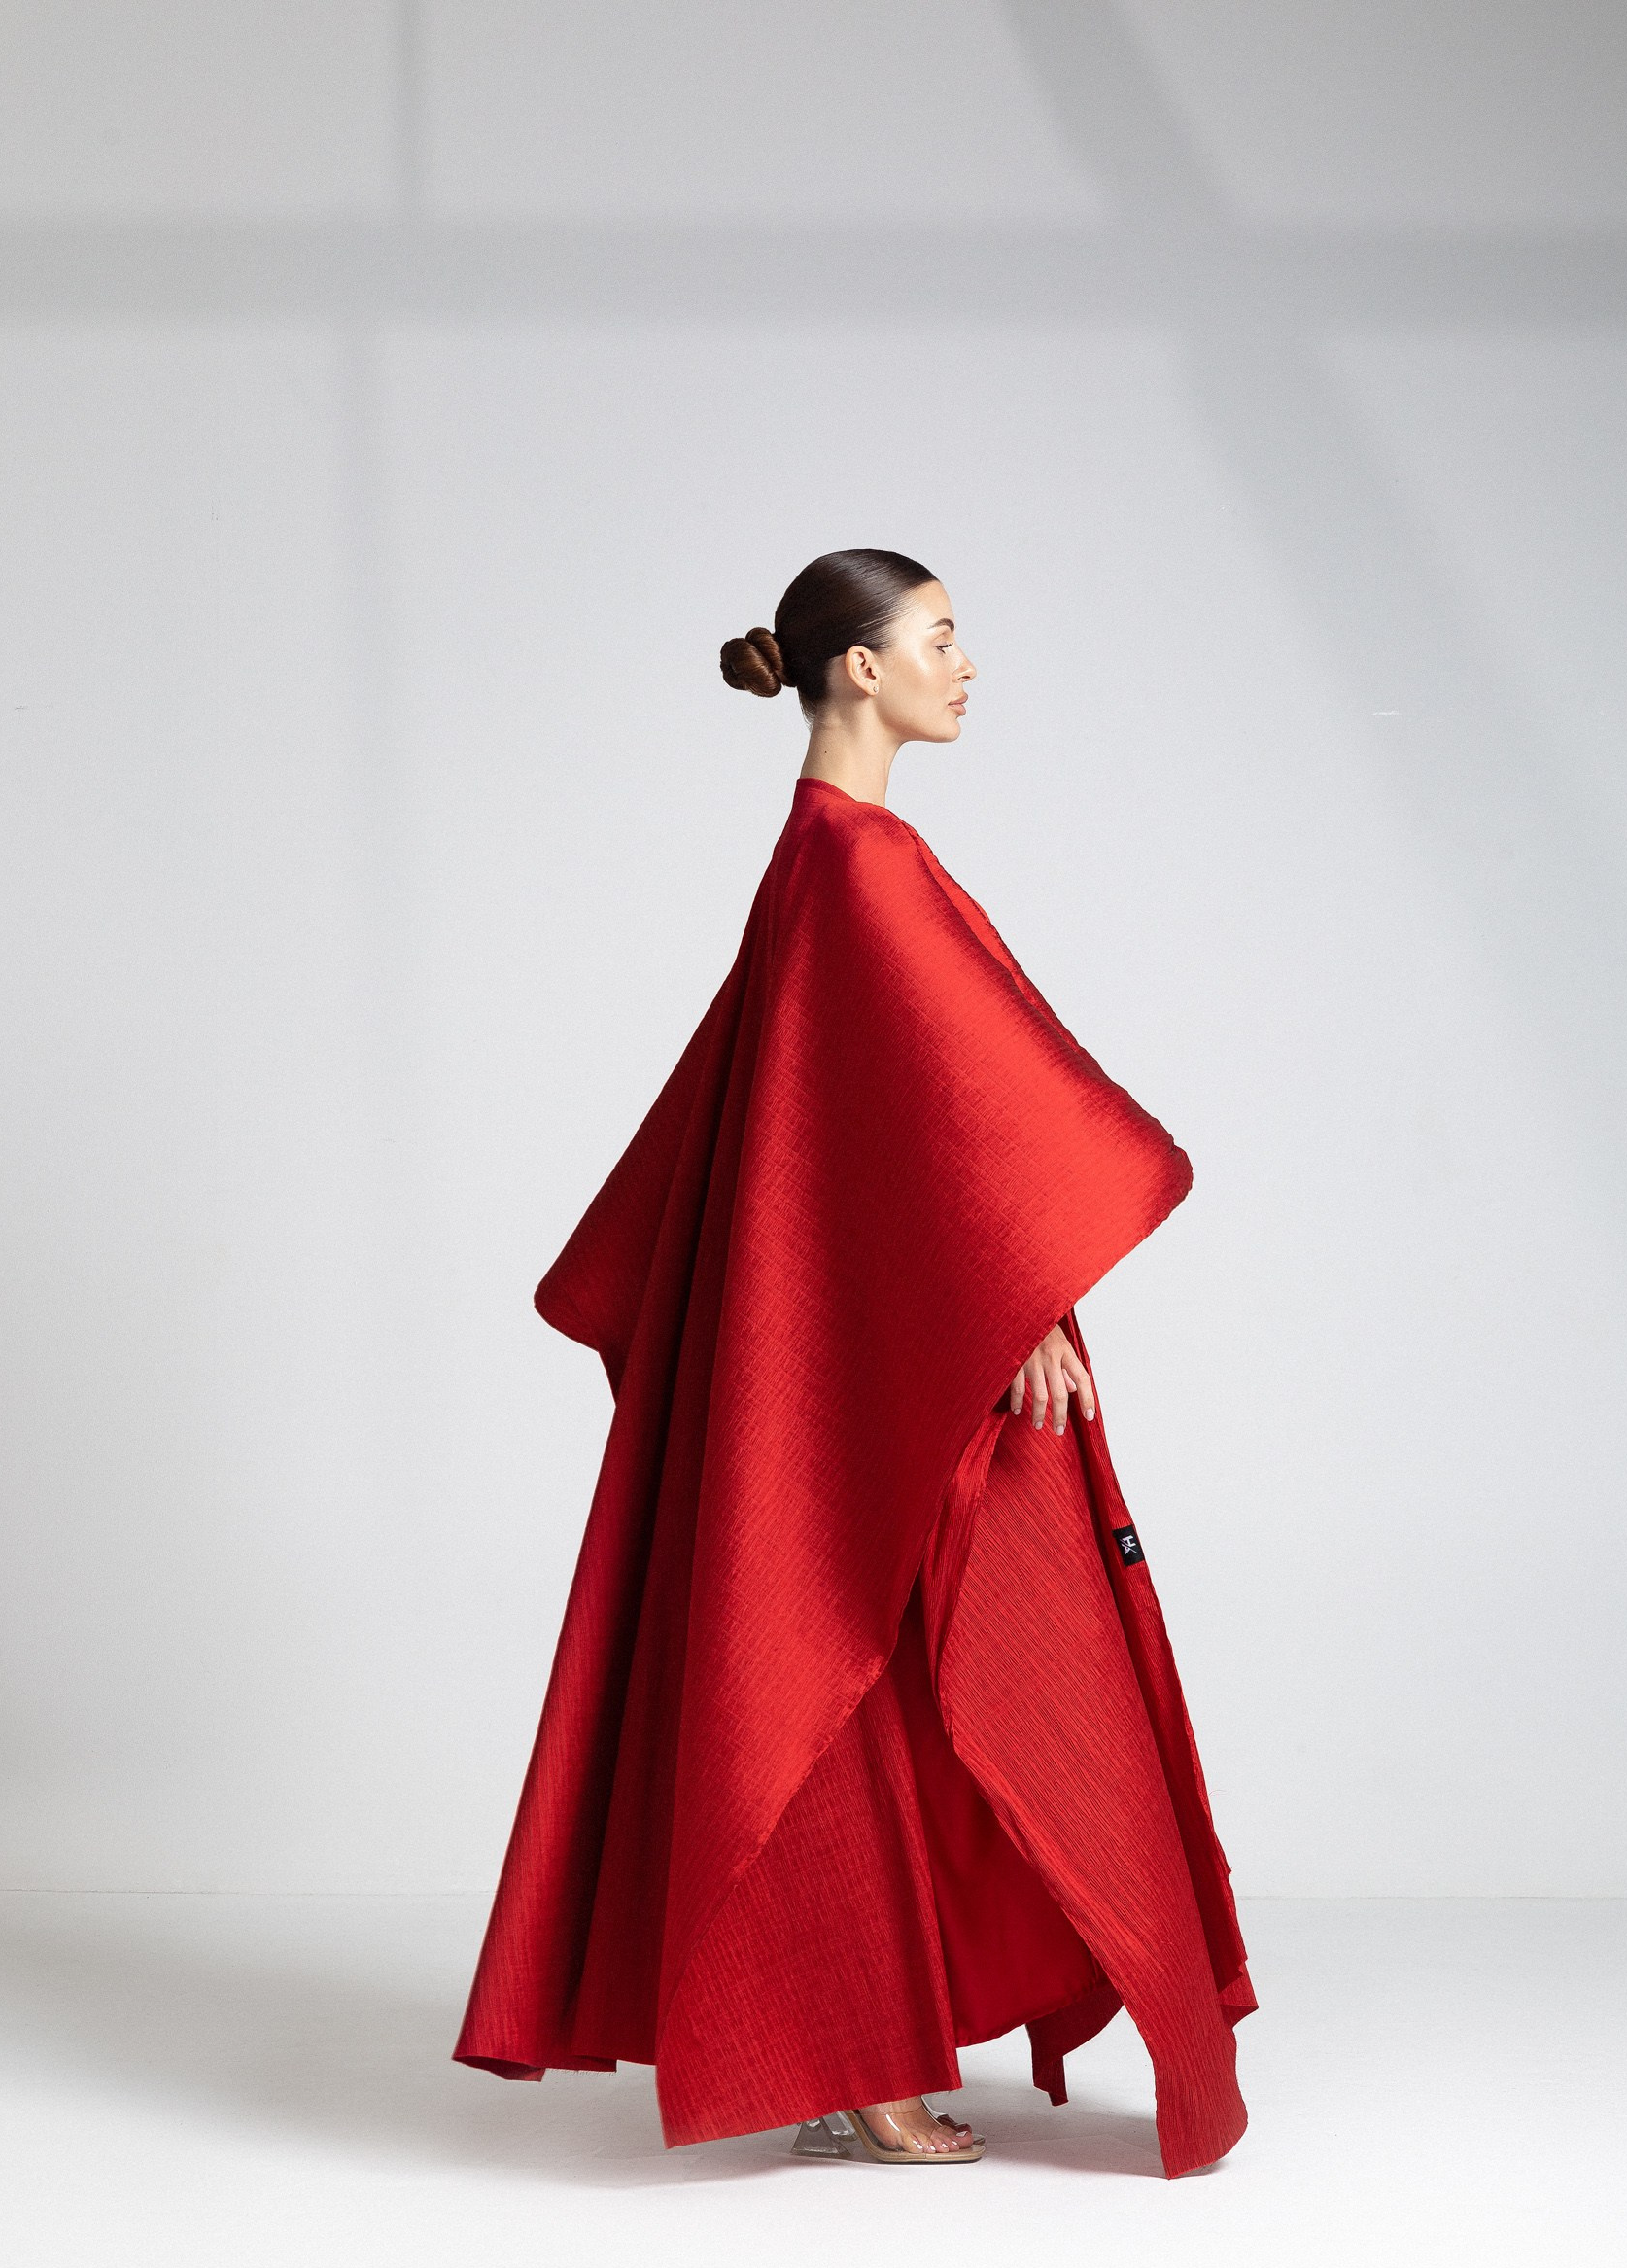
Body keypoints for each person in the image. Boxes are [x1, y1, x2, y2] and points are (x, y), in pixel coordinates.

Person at [454, 550, 1254, 2174]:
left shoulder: (823, 861)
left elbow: (875, 1121)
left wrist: (999, 1279)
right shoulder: (858, 868)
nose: (968, 666)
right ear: (860, 674)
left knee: (864, 1652)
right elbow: (945, 1113)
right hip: (933, 1330)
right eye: (942, 640)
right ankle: (853, 2049)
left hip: (889, 1330)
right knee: (883, 1658)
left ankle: (858, 2043)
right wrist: (1022, 1296)